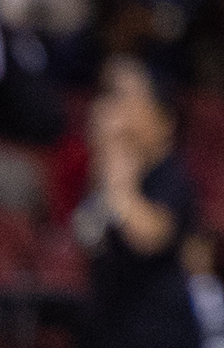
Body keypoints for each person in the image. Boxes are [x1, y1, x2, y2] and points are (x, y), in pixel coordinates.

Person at [74, 56, 201, 348]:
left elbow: (149, 237)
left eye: (130, 102)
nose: (120, 114)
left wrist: (117, 178)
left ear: (163, 120)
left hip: (160, 331)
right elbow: (87, 235)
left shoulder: (171, 175)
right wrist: (107, 161)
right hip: (109, 327)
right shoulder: (107, 172)